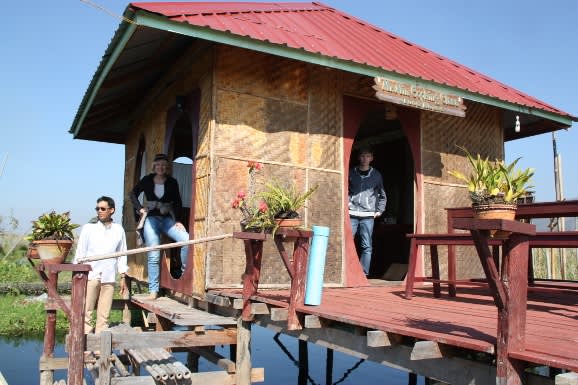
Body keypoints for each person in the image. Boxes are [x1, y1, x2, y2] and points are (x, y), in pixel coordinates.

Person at [129, 153, 190, 299]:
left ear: (167, 167)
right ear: (154, 166)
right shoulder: (147, 180)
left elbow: (178, 202)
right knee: (154, 253)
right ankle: (153, 289)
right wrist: (139, 209)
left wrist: (179, 220)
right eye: (158, 165)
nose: (161, 167)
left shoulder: (172, 182)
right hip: (151, 219)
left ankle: (182, 274)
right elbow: (132, 194)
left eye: (164, 165)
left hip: (167, 219)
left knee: (186, 239)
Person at [73, 196, 128, 334]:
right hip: (91, 275)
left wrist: (122, 276)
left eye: (103, 208)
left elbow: (122, 254)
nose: (99, 211)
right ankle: (84, 347)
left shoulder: (118, 230)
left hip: (109, 276)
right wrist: (77, 272)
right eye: (97, 208)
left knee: (104, 314)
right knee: (86, 312)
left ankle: (99, 348)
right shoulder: (88, 228)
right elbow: (80, 253)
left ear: (112, 210)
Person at [348, 147, 387, 277]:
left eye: (368, 156)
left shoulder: (376, 175)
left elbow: (382, 194)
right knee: (348, 242)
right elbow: (344, 190)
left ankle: (363, 273)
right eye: (363, 156)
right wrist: (346, 205)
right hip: (351, 213)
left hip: (368, 215)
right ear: (359, 158)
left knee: (366, 245)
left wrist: (380, 210)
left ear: (372, 158)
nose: (365, 159)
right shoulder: (351, 172)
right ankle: (348, 272)